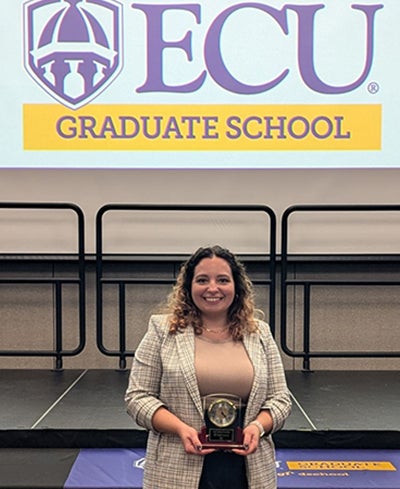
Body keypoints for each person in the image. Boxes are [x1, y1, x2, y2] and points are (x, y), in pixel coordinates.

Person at [125, 245, 291, 489]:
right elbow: (137, 397)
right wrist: (181, 429)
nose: (212, 288)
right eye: (202, 280)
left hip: (249, 470)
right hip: (178, 467)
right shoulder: (162, 330)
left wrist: (258, 426)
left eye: (222, 280)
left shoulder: (260, 333)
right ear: (189, 287)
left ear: (237, 287)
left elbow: (281, 399)